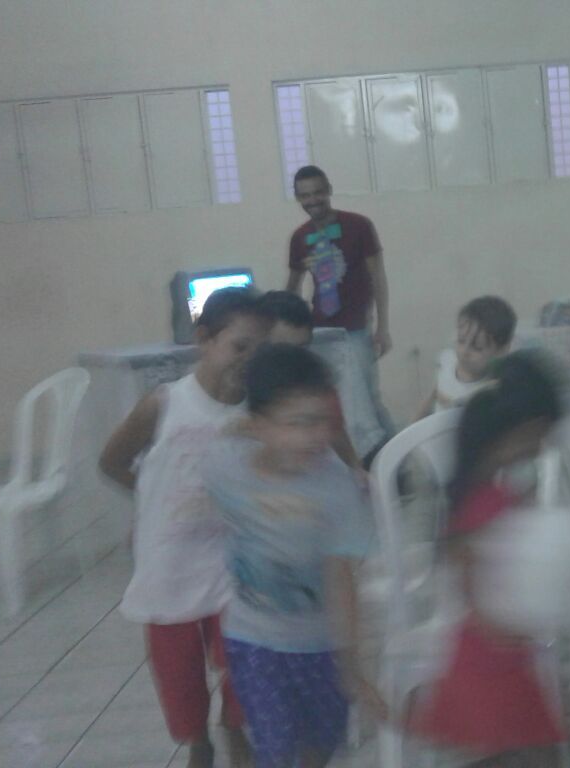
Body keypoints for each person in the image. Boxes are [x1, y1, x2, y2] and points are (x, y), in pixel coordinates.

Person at [99, 287, 268, 768]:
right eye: (239, 346)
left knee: (246, 658)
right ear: (204, 339)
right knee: (178, 674)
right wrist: (151, 501)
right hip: (169, 566)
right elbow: (111, 461)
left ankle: (234, 725)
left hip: (233, 565)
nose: (248, 360)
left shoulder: (257, 415)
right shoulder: (164, 405)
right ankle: (197, 740)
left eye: (260, 350)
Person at [204, 343, 387, 768]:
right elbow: (226, 438)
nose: (314, 436)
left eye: (322, 420)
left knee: (322, 741)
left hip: (319, 644)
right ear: (259, 425)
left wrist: (351, 666)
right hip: (253, 640)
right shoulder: (224, 467)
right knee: (275, 744)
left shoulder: (336, 488)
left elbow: (341, 578)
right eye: (297, 423)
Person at [410, 351, 568, 767]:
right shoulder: (483, 503)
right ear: (517, 434)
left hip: (502, 648)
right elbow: (465, 574)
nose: (541, 449)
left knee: (525, 744)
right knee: (507, 746)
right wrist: (497, 623)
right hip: (487, 653)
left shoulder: (490, 494)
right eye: (539, 438)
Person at [286, 165, 395, 464]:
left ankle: (396, 466)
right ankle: (355, 465)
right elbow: (292, 287)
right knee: (333, 404)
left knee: (368, 401)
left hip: (355, 329)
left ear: (329, 190)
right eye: (305, 195)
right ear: (298, 198)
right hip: (318, 332)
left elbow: (378, 277)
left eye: (318, 192)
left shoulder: (358, 226)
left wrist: (382, 327)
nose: (312, 200)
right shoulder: (299, 237)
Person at [258, 290, 364, 474]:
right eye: (282, 350)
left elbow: (336, 431)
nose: (293, 359)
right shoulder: (246, 388)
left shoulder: (315, 383)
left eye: (301, 349)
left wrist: (356, 469)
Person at [414, 296, 517, 421]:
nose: (464, 351)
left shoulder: (493, 389)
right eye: (461, 340)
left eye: (477, 347)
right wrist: (412, 426)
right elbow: (431, 396)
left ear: (501, 350)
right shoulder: (447, 360)